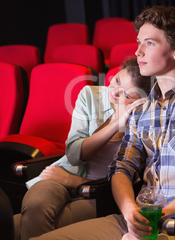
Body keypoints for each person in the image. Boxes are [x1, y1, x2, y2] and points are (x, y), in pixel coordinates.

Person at [31, 5, 175, 240]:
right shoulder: (142, 106)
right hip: (136, 219)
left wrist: (158, 217)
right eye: (138, 42)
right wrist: (130, 212)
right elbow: (121, 168)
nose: (138, 52)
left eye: (149, 43)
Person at [14, 58, 152, 240]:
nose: (115, 92)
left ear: (141, 101)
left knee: (15, 225)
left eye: (127, 95)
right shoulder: (90, 95)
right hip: (62, 174)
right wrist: (114, 123)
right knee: (36, 203)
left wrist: (73, 181)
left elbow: (129, 177)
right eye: (117, 80)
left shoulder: (144, 118)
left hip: (101, 193)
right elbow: (73, 154)